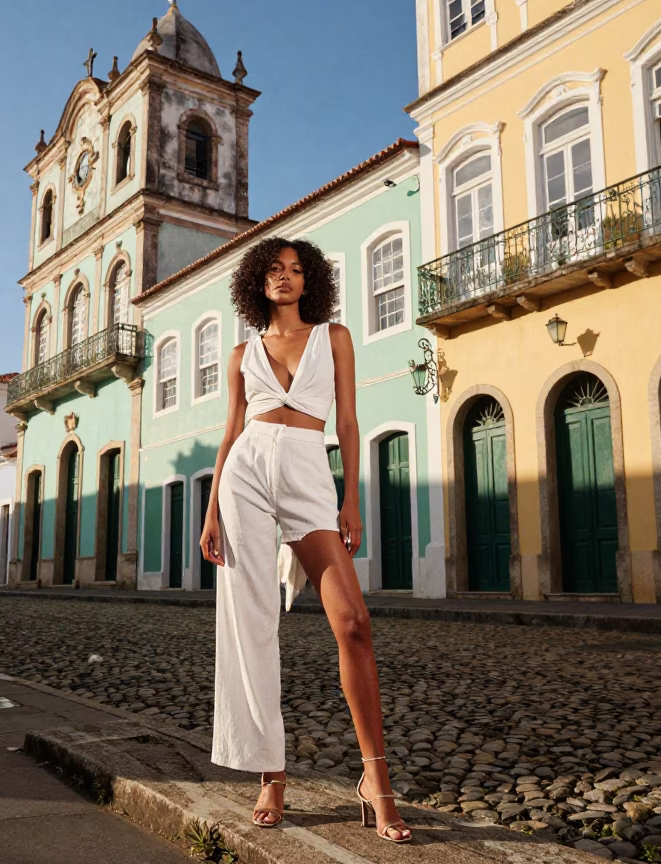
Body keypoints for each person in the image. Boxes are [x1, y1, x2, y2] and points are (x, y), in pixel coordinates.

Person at [199, 238, 412, 844]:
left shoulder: (333, 337)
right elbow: (231, 431)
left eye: (296, 270)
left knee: (352, 622)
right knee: (251, 622)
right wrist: (211, 508)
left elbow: (347, 421)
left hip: (307, 470)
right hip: (245, 472)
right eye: (274, 270)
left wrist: (350, 494)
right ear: (257, 282)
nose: (285, 278)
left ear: (310, 280)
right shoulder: (244, 351)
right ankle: (272, 773)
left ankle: (375, 778)